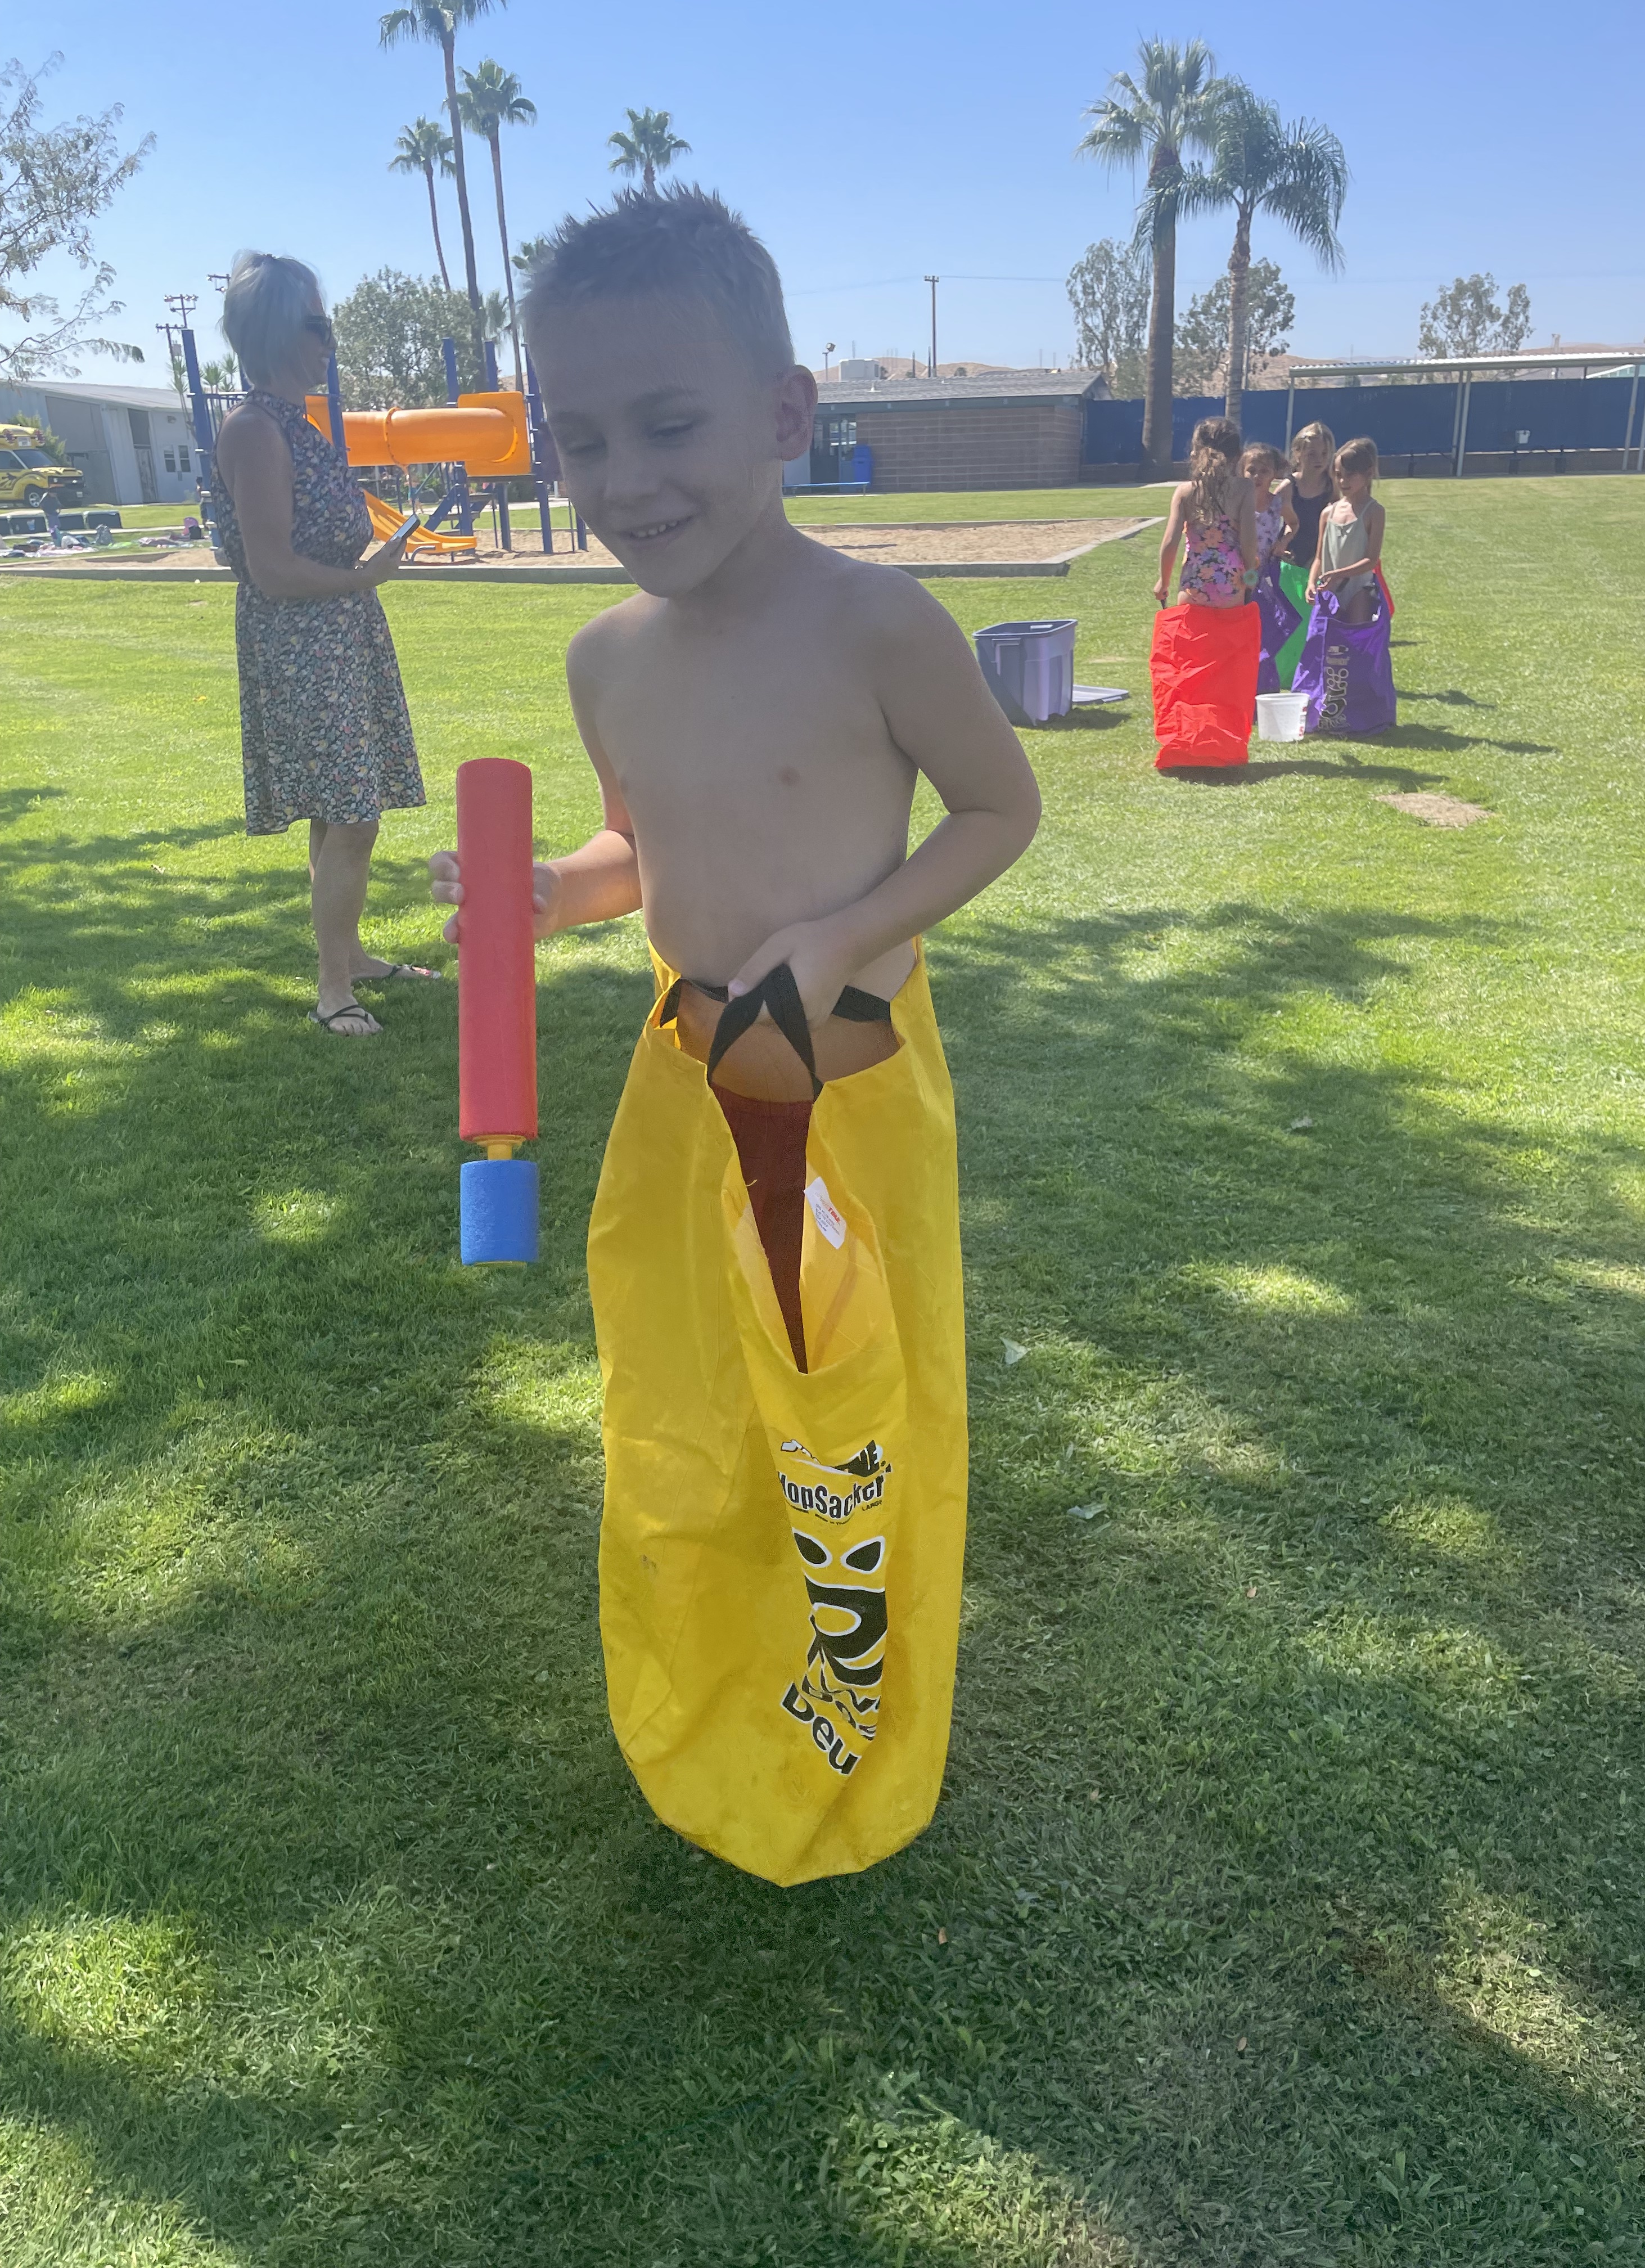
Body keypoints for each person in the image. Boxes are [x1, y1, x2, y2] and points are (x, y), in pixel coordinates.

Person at [428, 187, 1040, 1882]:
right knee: (689, 1394)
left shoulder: (876, 628)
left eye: (671, 423)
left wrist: (844, 930)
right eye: (580, 439)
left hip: (838, 1085)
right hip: (690, 1080)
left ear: (787, 415)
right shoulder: (603, 658)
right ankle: (718, 1675)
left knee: (845, 1414)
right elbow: (648, 855)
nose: (625, 482)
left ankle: (854, 1698)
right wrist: (554, 891)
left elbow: (1001, 807)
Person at [209, 250, 434, 1038]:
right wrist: (367, 575)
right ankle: (333, 987)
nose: (328, 342)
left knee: (333, 812)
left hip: (336, 635)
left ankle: (349, 956)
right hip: (303, 641)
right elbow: (271, 571)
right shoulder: (254, 432)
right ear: (276, 332)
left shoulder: (291, 425)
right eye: (318, 324)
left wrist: (363, 578)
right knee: (353, 815)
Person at [1153, 417, 1259, 610]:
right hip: (1231, 585)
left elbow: (1170, 542)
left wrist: (1164, 581)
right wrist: (1250, 571)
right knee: (1228, 639)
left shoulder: (1185, 492)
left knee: (1193, 639)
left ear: (1195, 453)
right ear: (1238, 455)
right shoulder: (1244, 489)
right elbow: (1249, 539)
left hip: (1193, 585)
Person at [1309, 437, 1386, 625]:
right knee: (1326, 646)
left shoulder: (1374, 512)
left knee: (1355, 641)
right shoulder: (1328, 513)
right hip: (1329, 590)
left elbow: (1371, 560)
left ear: (1368, 474)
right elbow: (1319, 557)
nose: (1343, 481)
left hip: (1359, 591)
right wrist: (1311, 583)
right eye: (1338, 474)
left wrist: (1338, 574)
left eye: (1350, 475)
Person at [1278, 420, 1336, 577]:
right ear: (1298, 454)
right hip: (1289, 559)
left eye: (1324, 454)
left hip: (1319, 559)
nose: (1319, 459)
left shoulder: (1331, 486)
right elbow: (1267, 520)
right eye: (1312, 454)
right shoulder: (1289, 486)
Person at [1242, 443, 1296, 579]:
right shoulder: (1237, 503)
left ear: (1275, 474)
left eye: (1264, 471)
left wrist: (1283, 542)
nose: (1257, 476)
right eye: (1252, 470)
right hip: (1238, 567)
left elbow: (1294, 523)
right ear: (1242, 472)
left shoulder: (1277, 504)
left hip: (1264, 569)